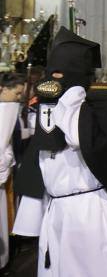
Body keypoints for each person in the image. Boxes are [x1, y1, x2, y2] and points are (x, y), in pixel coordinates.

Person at [12, 27, 107, 276]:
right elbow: (41, 162)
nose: (54, 82)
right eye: (51, 74)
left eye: (62, 75)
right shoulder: (49, 109)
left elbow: (79, 137)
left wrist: (70, 96)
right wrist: (32, 216)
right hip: (57, 212)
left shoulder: (103, 112)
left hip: (92, 213)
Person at [0, 73, 25, 268]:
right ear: (3, 88)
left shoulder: (9, 109)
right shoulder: (5, 110)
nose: (19, 98)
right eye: (17, 93)